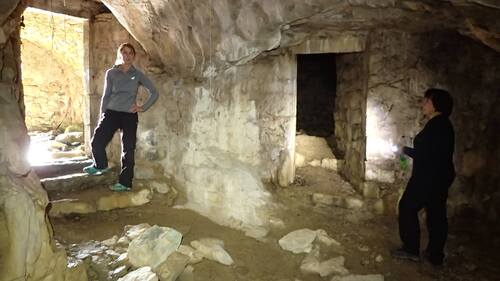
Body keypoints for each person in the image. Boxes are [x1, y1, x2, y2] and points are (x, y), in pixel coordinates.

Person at [392, 88, 455, 266]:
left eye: (427, 101)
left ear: (437, 106)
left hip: (428, 177)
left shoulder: (438, 125)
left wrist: (405, 151)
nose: (423, 104)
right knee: (436, 214)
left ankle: (411, 249)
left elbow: (427, 154)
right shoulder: (441, 124)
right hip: (438, 177)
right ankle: (435, 255)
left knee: (407, 207)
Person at [83, 43, 159, 191]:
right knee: (97, 141)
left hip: (129, 116)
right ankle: (100, 165)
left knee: (128, 149)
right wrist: (102, 115)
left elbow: (154, 93)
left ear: (134, 56)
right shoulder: (111, 73)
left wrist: (141, 108)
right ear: (120, 54)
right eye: (124, 53)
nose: (127, 56)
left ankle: (125, 183)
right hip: (111, 113)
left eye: (130, 53)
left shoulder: (138, 75)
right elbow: (106, 96)